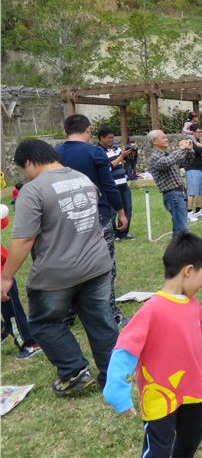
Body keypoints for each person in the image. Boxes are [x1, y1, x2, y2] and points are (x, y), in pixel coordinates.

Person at [3, 139, 119, 395]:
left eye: (23, 169)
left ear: (29, 162)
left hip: (57, 272)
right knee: (100, 321)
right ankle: (113, 375)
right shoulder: (82, 179)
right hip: (97, 265)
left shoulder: (33, 190)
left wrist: (6, 276)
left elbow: (23, 239)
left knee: (44, 322)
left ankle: (74, 371)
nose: (25, 175)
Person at [103, 232, 202, 456]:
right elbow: (124, 351)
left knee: (191, 438)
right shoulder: (151, 310)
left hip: (193, 390)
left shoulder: (194, 306)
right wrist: (116, 390)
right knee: (158, 448)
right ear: (189, 271)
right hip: (160, 395)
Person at [56, 114, 127, 325]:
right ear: (88, 130)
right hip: (98, 213)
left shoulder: (55, 153)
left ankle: (68, 312)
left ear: (65, 132)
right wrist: (121, 212)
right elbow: (108, 185)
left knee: (70, 261)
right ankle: (110, 312)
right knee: (105, 263)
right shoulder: (94, 152)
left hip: (66, 215)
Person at [1, 203, 41, 360]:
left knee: (12, 312)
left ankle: (29, 342)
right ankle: (6, 328)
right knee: (8, 312)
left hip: (2, 278)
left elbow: (4, 220)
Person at [148, 130, 195, 238]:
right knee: (182, 229)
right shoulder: (155, 156)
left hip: (179, 193)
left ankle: (176, 248)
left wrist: (189, 150)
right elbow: (166, 163)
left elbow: (185, 162)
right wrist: (181, 149)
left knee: (179, 227)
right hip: (173, 195)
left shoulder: (168, 155)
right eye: (163, 137)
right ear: (154, 142)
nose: (166, 139)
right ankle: (182, 248)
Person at [97, 126, 135, 241]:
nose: (111, 140)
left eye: (112, 138)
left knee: (127, 208)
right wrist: (121, 156)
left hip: (123, 183)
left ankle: (123, 233)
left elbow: (125, 162)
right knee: (112, 211)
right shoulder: (98, 152)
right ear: (101, 138)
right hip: (112, 186)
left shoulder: (115, 148)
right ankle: (112, 234)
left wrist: (130, 153)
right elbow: (108, 167)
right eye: (109, 138)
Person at [185, 124, 202, 222]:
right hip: (192, 169)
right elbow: (198, 150)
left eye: (201, 132)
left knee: (201, 191)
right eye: (198, 132)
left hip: (200, 168)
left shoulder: (199, 141)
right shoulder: (189, 140)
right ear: (193, 132)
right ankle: (189, 213)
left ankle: (198, 211)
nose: (200, 134)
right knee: (192, 192)